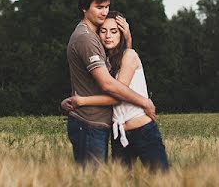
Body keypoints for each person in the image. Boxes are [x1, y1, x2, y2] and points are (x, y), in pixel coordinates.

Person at [63, 11, 170, 171]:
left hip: (143, 131)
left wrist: (80, 101)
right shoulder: (106, 64)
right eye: (103, 31)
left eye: (114, 31)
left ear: (121, 34)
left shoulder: (130, 55)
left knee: (162, 179)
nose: (108, 36)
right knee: (120, 181)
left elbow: (117, 96)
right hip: (119, 136)